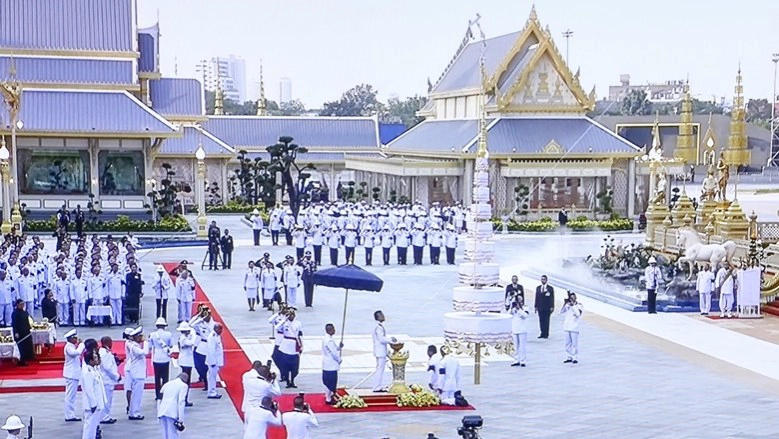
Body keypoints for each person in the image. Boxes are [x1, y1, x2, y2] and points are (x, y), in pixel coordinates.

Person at [81, 349, 107, 439]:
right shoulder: (88, 372)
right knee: (89, 427)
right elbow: (89, 390)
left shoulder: (94, 369)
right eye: (95, 358)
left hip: (97, 403)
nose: (97, 359)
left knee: (93, 426)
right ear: (90, 360)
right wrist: (93, 404)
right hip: (92, 405)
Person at [125, 326, 150, 420]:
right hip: (137, 372)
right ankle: (134, 413)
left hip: (137, 371)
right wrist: (146, 342)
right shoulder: (134, 346)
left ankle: (133, 411)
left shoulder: (135, 345)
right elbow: (144, 352)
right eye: (140, 336)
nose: (142, 338)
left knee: (136, 394)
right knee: (137, 394)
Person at [157, 372, 189, 439]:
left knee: (165, 434)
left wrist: (158, 412)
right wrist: (181, 418)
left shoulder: (167, 384)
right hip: (172, 412)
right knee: (173, 434)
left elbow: (159, 399)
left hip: (162, 411)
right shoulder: (183, 386)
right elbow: (181, 402)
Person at [63, 329, 86, 421]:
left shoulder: (71, 346)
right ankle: (69, 415)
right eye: (75, 338)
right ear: (71, 338)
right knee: (70, 396)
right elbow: (76, 353)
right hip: (71, 374)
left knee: (71, 396)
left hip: (73, 373)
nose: (77, 339)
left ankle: (70, 414)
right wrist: (81, 345)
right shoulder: (69, 347)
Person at [97, 336, 120, 424]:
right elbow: (107, 367)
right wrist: (116, 376)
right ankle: (105, 417)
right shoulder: (105, 353)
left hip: (107, 379)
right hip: (107, 379)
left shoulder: (104, 351)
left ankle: (106, 415)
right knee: (107, 399)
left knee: (107, 399)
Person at [149, 317, 173, 401]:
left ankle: (158, 395)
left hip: (157, 357)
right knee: (165, 378)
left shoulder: (152, 335)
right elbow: (171, 345)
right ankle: (164, 393)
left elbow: (150, 346)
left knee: (157, 378)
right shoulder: (168, 334)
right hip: (165, 357)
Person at [278, 310, 302, 388]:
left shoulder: (298, 323)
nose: (291, 316)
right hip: (286, 345)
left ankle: (293, 380)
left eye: (292, 315)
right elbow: (277, 327)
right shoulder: (284, 323)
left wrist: (301, 345)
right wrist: (284, 319)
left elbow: (300, 334)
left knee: (295, 367)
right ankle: (288, 381)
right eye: (290, 315)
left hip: (294, 345)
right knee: (286, 366)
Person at [176, 321, 196, 407]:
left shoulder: (184, 337)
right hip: (185, 362)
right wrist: (194, 335)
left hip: (186, 361)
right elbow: (191, 343)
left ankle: (185, 398)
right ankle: (184, 399)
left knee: (187, 381)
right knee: (186, 382)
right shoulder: (183, 338)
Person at [322, 323, 342, 404]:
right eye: (333, 329)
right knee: (331, 381)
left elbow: (333, 348)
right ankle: (329, 398)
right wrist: (339, 359)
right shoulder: (329, 340)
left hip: (327, 363)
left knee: (328, 381)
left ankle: (329, 397)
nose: (334, 330)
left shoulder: (325, 338)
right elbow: (333, 353)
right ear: (329, 330)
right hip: (331, 364)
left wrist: (339, 347)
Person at [372, 310, 392, 392]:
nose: (384, 316)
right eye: (382, 315)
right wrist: (391, 340)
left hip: (380, 350)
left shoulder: (378, 326)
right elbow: (381, 339)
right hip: (380, 351)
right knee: (380, 369)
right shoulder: (378, 327)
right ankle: (377, 387)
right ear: (378, 317)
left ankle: (378, 385)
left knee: (380, 368)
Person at [561, 292, 583, 364]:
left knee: (574, 344)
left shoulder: (579, 305)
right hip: (567, 326)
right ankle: (569, 356)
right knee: (567, 344)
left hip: (574, 327)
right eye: (571, 298)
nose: (572, 299)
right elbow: (561, 312)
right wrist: (565, 304)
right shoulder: (567, 305)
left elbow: (578, 314)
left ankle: (575, 357)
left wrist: (573, 305)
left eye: (573, 298)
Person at [10, 300, 33, 366]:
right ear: (17, 305)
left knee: (27, 346)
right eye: (21, 304)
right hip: (20, 332)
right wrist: (16, 332)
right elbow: (14, 324)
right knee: (21, 347)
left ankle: (27, 358)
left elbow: (28, 319)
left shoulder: (25, 312)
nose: (23, 305)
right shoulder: (15, 313)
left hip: (26, 331)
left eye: (23, 304)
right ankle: (21, 360)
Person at [206, 323, 224, 399]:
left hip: (216, 361)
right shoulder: (212, 337)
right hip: (213, 362)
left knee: (213, 377)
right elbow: (211, 350)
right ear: (216, 329)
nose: (221, 331)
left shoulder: (216, 336)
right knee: (212, 378)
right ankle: (211, 392)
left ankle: (213, 391)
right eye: (220, 329)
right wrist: (212, 362)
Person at [510, 295, 529, 367]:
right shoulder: (513, 308)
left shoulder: (525, 307)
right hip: (515, 328)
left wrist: (519, 309)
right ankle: (516, 360)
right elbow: (509, 314)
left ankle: (523, 360)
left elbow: (525, 315)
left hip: (522, 329)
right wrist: (512, 307)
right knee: (515, 346)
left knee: (522, 346)